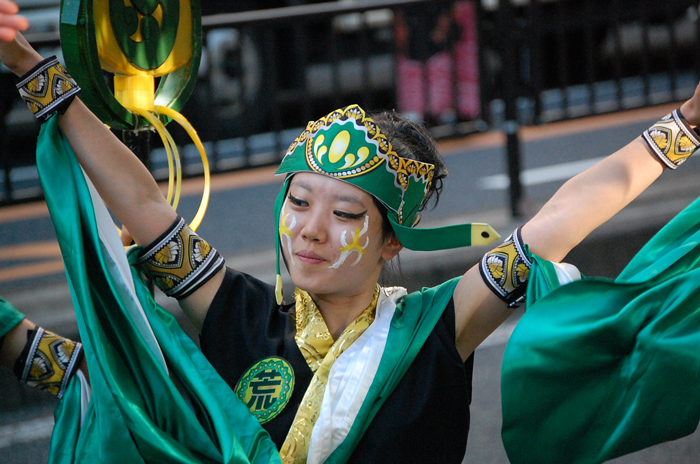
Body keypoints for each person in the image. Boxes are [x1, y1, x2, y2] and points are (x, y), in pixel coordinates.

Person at [1, 1, 700, 462]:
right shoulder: (238, 316)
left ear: (391, 241)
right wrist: (32, 69)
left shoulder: (435, 328)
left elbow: (557, 223)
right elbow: (145, 208)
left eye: (344, 215)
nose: (308, 231)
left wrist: (684, 128)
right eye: (299, 201)